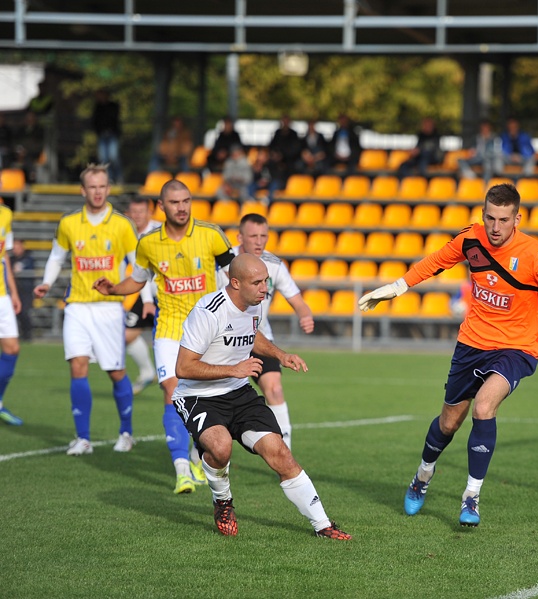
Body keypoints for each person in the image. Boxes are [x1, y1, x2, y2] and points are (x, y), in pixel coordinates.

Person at [358, 183, 538, 527]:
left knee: (484, 407)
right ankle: (422, 477)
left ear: (517, 219)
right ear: (483, 215)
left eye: (504, 219)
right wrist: (398, 286)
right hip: (471, 343)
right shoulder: (471, 238)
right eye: (490, 218)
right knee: (449, 422)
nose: (496, 227)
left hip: (516, 348)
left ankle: (471, 497)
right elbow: (437, 261)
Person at [173, 253, 350, 539]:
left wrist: (281, 354)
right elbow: (183, 367)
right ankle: (223, 501)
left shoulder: (254, 303)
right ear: (234, 282)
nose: (264, 288)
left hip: (238, 392)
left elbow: (253, 335)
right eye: (257, 282)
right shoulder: (209, 311)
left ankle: (323, 525)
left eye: (265, 281)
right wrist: (234, 368)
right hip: (198, 396)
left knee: (279, 452)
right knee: (220, 448)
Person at [92, 179, 234, 494]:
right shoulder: (148, 243)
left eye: (186, 201)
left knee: (211, 400)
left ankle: (199, 457)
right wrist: (115, 289)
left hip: (208, 332)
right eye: (174, 202)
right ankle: (182, 470)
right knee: (172, 393)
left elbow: (235, 272)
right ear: (162, 206)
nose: (181, 207)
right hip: (169, 329)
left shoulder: (211, 234)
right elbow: (138, 280)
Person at [34, 164, 137, 453]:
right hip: (77, 304)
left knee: (115, 371)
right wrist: (46, 283)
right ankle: (83, 438)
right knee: (77, 366)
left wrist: (149, 298)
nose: (98, 192)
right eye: (92, 187)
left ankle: (126, 432)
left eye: (102, 186)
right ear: (83, 190)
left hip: (109, 307)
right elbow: (57, 257)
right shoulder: (69, 223)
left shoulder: (122, 225)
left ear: (108, 189)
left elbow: (139, 266)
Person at [216, 214, 314, 450]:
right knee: (216, 399)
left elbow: (297, 299)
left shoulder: (274, 263)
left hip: (259, 338)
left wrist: (305, 314)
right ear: (240, 237)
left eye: (263, 236)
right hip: (223, 340)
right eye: (253, 236)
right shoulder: (222, 264)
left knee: (274, 388)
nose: (259, 242)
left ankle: (285, 449)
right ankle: (199, 455)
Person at [123, 198, 162, 393]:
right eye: (134, 211)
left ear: (149, 213)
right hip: (145, 292)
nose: (137, 215)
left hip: (166, 294)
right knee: (126, 335)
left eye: (141, 211)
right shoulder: (127, 234)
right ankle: (147, 372)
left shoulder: (161, 232)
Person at [0, 203, 22, 425]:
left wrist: (13, 292)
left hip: (2, 295)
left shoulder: (5, 214)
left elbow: (4, 255)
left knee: (12, 348)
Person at [91, 89, 122, 183]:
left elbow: (114, 119)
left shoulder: (113, 106)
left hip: (112, 134)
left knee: (113, 156)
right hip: (102, 135)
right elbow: (95, 121)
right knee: (103, 158)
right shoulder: (97, 107)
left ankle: (118, 176)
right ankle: (109, 178)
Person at [10, 239, 34, 342]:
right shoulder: (10, 260)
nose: (16, 249)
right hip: (13, 291)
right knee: (13, 314)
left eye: (18, 246)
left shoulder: (28, 259)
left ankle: (27, 334)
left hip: (26, 291)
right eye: (14, 247)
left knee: (24, 312)